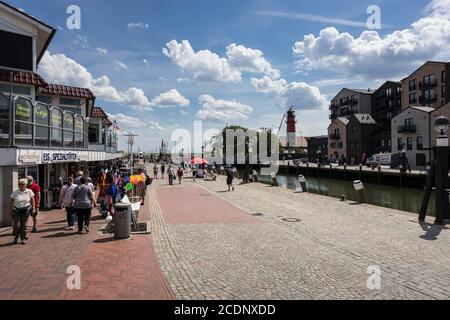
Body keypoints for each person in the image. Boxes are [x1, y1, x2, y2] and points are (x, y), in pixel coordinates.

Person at [10, 179, 35, 244]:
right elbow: (11, 202)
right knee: (17, 226)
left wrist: (33, 208)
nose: (21, 186)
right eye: (19, 184)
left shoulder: (29, 191)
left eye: (22, 184)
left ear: (25, 185)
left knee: (24, 225)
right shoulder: (15, 192)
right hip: (16, 210)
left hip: (25, 209)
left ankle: (23, 238)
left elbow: (32, 201)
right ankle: (16, 236)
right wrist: (10, 210)